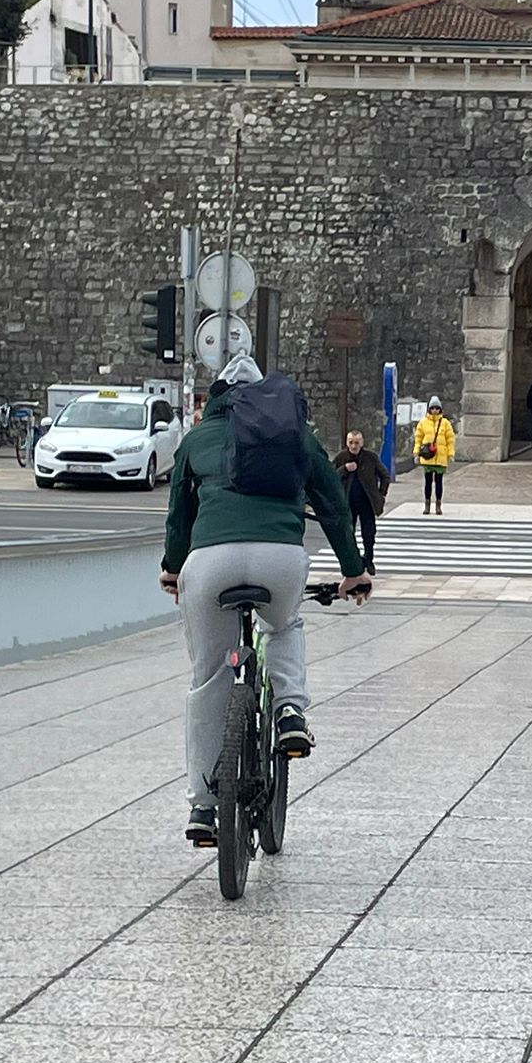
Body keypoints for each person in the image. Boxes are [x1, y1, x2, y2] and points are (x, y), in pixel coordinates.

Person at [160, 354, 372, 845]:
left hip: (209, 564)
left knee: (208, 679)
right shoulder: (295, 437)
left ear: (217, 398)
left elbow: (178, 519)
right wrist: (353, 571)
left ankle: (204, 808)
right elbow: (334, 508)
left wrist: (172, 570)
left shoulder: (197, 439)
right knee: (283, 625)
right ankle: (290, 712)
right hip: (279, 559)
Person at [333, 428, 390, 573]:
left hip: (366, 501)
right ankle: (352, 562)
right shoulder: (341, 457)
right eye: (351, 442)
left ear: (362, 443)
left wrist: (381, 495)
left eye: (356, 443)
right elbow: (330, 477)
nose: (353, 446)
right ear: (347, 443)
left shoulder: (370, 457)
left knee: (369, 533)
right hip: (347, 502)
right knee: (348, 534)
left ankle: (369, 560)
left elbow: (385, 476)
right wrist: (344, 469)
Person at [414, 395, 455, 514]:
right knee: (427, 482)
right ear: (429, 409)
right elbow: (418, 438)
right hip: (428, 456)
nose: (435, 410)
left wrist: (450, 453)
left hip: (441, 457)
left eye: (437, 408)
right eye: (432, 408)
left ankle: (438, 504)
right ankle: (427, 504)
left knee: (439, 482)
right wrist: (416, 453)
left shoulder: (445, 423)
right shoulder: (423, 423)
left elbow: (450, 439)